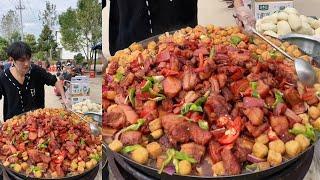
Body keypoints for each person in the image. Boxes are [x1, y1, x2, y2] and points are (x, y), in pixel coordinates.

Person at [106, 0, 255, 55]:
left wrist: (239, 5)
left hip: (176, 11)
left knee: (182, 55)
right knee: (132, 60)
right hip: (132, 13)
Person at [0, 42, 67, 121]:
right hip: (13, 125)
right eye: (22, 60)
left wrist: (64, 98)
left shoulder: (36, 71)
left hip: (38, 122)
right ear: (12, 59)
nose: (27, 63)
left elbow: (55, 81)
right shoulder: (4, 76)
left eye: (28, 59)